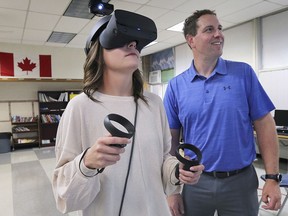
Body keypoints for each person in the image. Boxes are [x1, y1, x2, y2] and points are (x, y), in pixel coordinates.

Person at [52, 9, 204, 216]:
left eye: (135, 43)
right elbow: (64, 195)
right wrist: (87, 163)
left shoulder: (153, 103)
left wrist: (178, 171)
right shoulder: (80, 106)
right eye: (122, 40)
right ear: (98, 52)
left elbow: (163, 160)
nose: (133, 45)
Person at [163, 9, 282, 216]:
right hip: (195, 183)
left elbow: (265, 125)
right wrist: (172, 190)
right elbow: (169, 142)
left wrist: (272, 178)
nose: (218, 34)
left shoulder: (243, 74)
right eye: (209, 29)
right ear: (191, 40)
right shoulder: (176, 86)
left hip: (240, 183)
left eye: (219, 28)